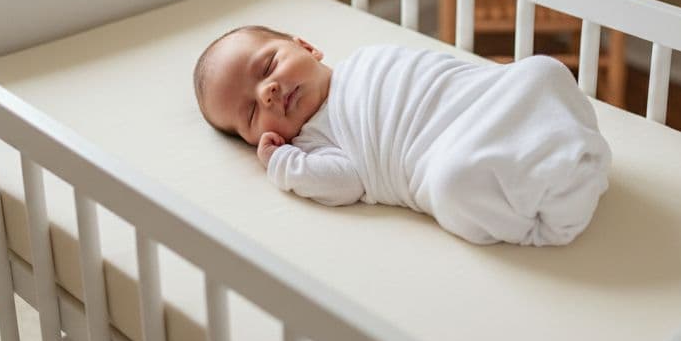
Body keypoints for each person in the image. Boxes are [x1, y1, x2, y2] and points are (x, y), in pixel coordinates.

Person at [193, 25, 610, 246]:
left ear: (306, 46)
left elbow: (440, 74)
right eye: (251, 113)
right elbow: (345, 183)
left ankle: (566, 145)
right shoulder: (312, 144)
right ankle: (546, 219)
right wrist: (283, 164)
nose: (267, 92)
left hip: (482, 98)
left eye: (267, 67)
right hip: (445, 152)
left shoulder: (363, 59)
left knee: (540, 71)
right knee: (454, 185)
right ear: (256, 140)